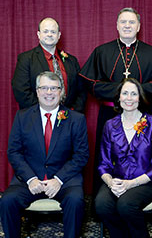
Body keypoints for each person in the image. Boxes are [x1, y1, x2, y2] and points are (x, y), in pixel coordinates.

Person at [79, 7, 152, 196]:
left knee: (143, 157)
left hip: (142, 114)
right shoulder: (102, 51)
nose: (127, 25)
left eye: (131, 22)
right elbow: (89, 82)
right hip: (110, 114)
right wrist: (120, 91)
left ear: (138, 26)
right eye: (123, 22)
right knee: (107, 158)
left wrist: (134, 92)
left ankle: (140, 198)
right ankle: (104, 201)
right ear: (117, 26)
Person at [0, 71, 89, 238]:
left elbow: (81, 155)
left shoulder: (76, 119)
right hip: (30, 180)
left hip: (65, 180)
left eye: (54, 88)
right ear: (37, 91)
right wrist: (31, 179)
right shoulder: (22, 116)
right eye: (44, 88)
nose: (49, 93)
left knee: (76, 201)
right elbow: (14, 151)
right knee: (7, 201)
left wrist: (59, 179)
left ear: (61, 91)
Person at [95, 78, 152, 238]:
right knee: (101, 205)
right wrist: (110, 182)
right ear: (118, 98)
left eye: (133, 94)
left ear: (140, 98)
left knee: (126, 205)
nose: (129, 98)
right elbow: (104, 164)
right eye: (125, 93)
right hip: (117, 180)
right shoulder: (110, 125)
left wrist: (131, 184)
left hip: (146, 181)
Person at [12, 17, 86, 113]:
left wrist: (73, 112)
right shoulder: (26, 59)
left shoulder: (71, 60)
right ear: (39, 34)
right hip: (37, 117)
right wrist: (46, 113)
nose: (49, 34)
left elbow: (81, 91)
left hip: (68, 117)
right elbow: (21, 91)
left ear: (59, 35)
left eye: (53, 32)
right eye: (46, 31)